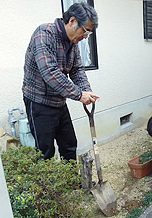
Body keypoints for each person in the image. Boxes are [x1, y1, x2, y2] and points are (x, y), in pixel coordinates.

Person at [22, 2, 100, 160]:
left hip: (59, 101)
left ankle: (72, 183)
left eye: (88, 34)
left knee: (69, 144)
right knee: (45, 151)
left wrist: (86, 90)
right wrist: (79, 95)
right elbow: (50, 72)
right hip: (39, 102)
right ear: (72, 21)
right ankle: (46, 185)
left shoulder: (72, 43)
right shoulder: (44, 34)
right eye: (85, 31)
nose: (85, 37)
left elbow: (77, 70)